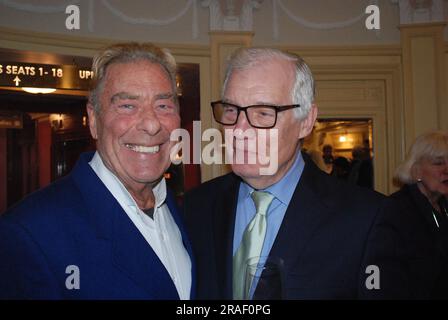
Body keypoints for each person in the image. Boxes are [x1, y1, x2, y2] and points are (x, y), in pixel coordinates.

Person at [184, 47, 409, 299]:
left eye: (264, 113)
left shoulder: (367, 220)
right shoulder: (197, 206)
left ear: (306, 121)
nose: (239, 129)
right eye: (231, 110)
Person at [0, 43, 195, 299]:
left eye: (163, 106)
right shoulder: (29, 232)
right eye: (127, 105)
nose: (150, 124)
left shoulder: (186, 211)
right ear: (93, 120)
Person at [390, 131, 448, 299]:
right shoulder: (396, 210)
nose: (446, 170)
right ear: (416, 172)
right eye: (438, 163)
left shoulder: (442, 205)